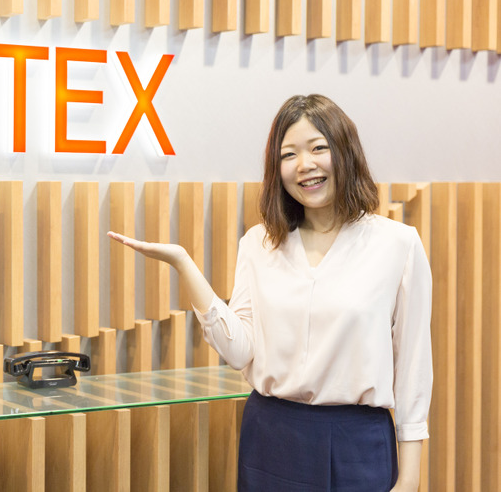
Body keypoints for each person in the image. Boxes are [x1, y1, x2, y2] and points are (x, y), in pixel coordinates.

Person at [108, 94, 432, 492]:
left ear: (346, 152)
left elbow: (413, 365)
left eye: (318, 148)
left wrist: (410, 478)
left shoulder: (397, 244)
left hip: (357, 443)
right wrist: (183, 263)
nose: (304, 165)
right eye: (288, 155)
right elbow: (239, 351)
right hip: (271, 437)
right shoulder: (259, 243)